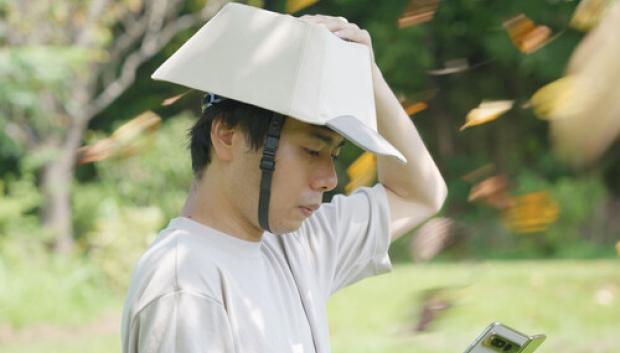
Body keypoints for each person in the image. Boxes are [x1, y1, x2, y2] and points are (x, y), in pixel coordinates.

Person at [121, 3, 447, 353]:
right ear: (228, 135)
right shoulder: (185, 281)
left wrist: (369, 76)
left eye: (333, 155)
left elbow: (419, 193)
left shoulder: (297, 243)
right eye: (311, 151)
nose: (329, 179)